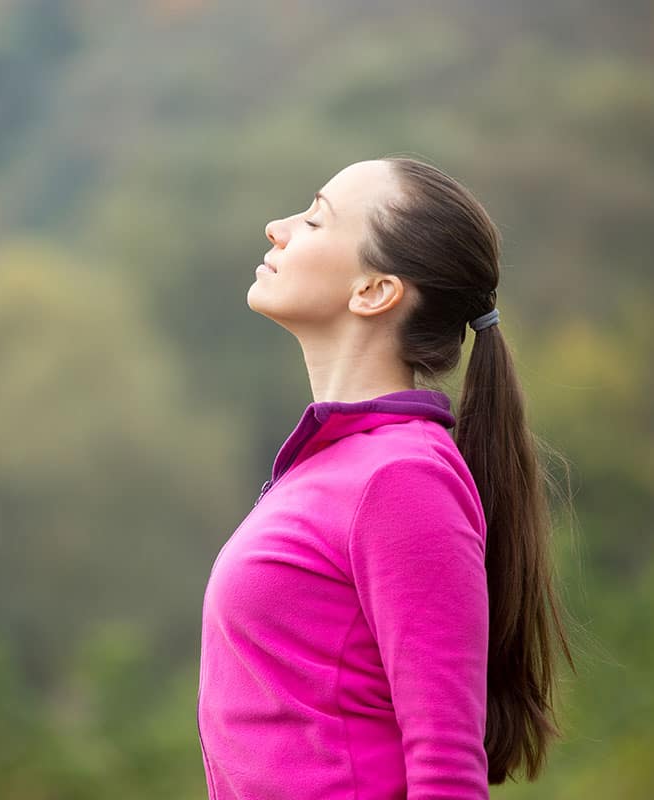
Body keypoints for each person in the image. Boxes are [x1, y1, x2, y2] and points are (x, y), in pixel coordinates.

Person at [197, 156, 575, 800]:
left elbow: (447, 767)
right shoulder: (329, 464)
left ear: (374, 291)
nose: (276, 228)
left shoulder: (402, 478)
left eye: (315, 220)